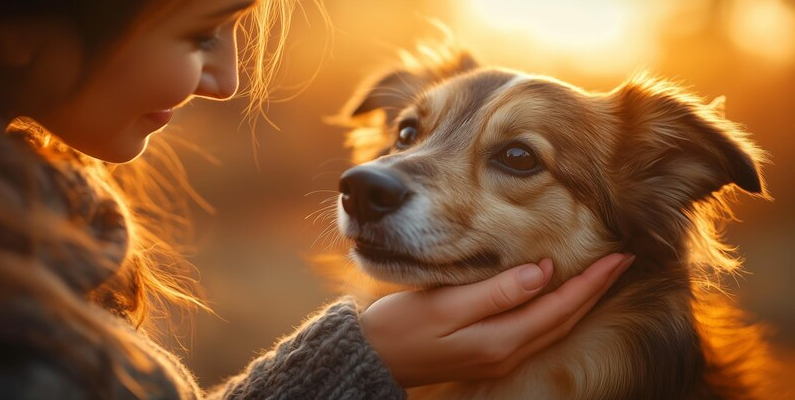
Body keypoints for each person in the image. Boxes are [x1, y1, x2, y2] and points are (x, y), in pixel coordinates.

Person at [0, 0, 634, 398]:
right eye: (199, 35)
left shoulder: (53, 222)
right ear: (24, 21)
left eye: (518, 157)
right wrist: (358, 364)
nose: (229, 82)